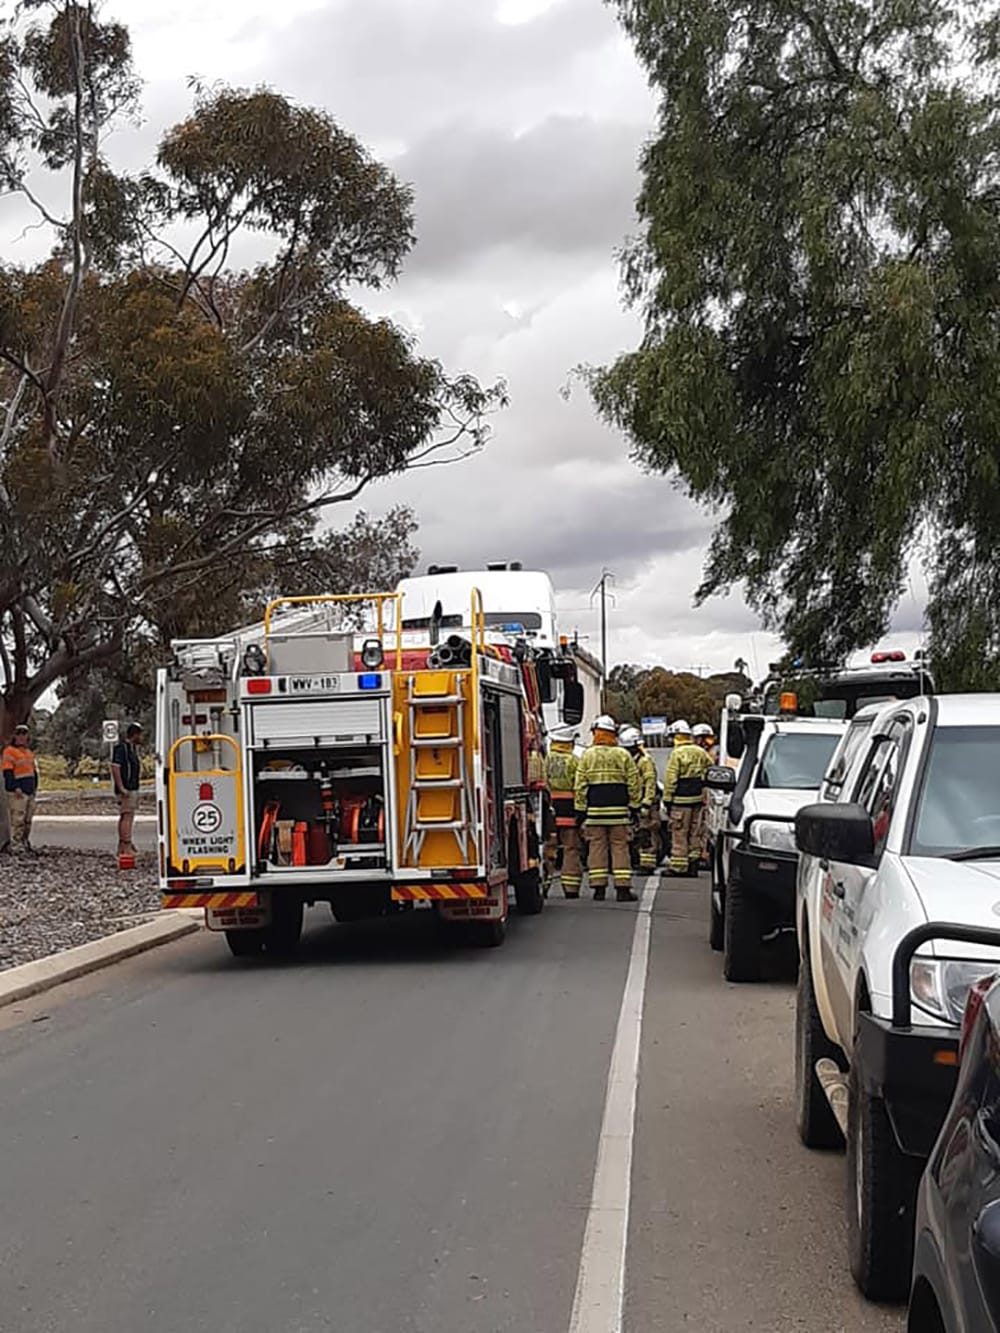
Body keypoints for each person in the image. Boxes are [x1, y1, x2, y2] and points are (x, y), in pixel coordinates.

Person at [574, 714, 641, 902]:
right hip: (619, 813)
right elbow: (633, 783)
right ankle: (622, 889)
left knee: (596, 848)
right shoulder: (623, 755)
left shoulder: (588, 755)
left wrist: (580, 810)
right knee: (620, 848)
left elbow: (580, 785)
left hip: (595, 813)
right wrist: (634, 807)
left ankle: (598, 889)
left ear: (597, 733)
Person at [662, 719, 710, 877]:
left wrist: (667, 799)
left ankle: (678, 867)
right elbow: (710, 769)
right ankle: (693, 866)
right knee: (695, 833)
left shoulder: (677, 754)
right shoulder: (700, 752)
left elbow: (671, 778)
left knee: (679, 832)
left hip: (680, 802)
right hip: (697, 800)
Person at [545, 724, 583, 897]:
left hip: (550, 811)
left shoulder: (546, 759)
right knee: (571, 848)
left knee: (548, 849)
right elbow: (580, 786)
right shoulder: (574, 761)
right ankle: (571, 888)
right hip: (569, 811)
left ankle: (544, 885)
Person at [619, 725, 659, 874]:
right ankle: (638, 861)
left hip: (645, 803)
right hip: (635, 803)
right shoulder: (631, 761)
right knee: (635, 834)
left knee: (646, 834)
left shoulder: (644, 761)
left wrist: (646, 803)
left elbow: (650, 782)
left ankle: (647, 865)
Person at [2, 724, 38, 852]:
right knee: (18, 819)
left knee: (28, 819)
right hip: (17, 792)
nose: (22, 737)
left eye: (24, 734)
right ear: (14, 736)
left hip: (30, 791)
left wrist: (35, 788)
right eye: (19, 734)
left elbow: (33, 771)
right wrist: (15, 787)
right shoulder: (9, 752)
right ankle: (16, 844)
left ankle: (24, 841)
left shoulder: (28, 753)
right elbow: (8, 773)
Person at [111, 723, 143, 856]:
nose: (141, 738)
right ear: (134, 735)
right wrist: (121, 787)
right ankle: (126, 844)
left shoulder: (132, 749)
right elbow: (115, 767)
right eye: (140, 735)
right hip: (127, 788)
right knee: (127, 816)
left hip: (133, 787)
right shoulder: (122, 748)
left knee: (128, 815)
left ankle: (123, 845)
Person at [691, 723, 717, 868]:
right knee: (698, 825)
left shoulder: (713, 753)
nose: (706, 743)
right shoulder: (695, 753)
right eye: (703, 739)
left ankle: (703, 853)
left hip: (709, 791)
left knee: (705, 825)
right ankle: (699, 853)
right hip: (700, 791)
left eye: (708, 739)